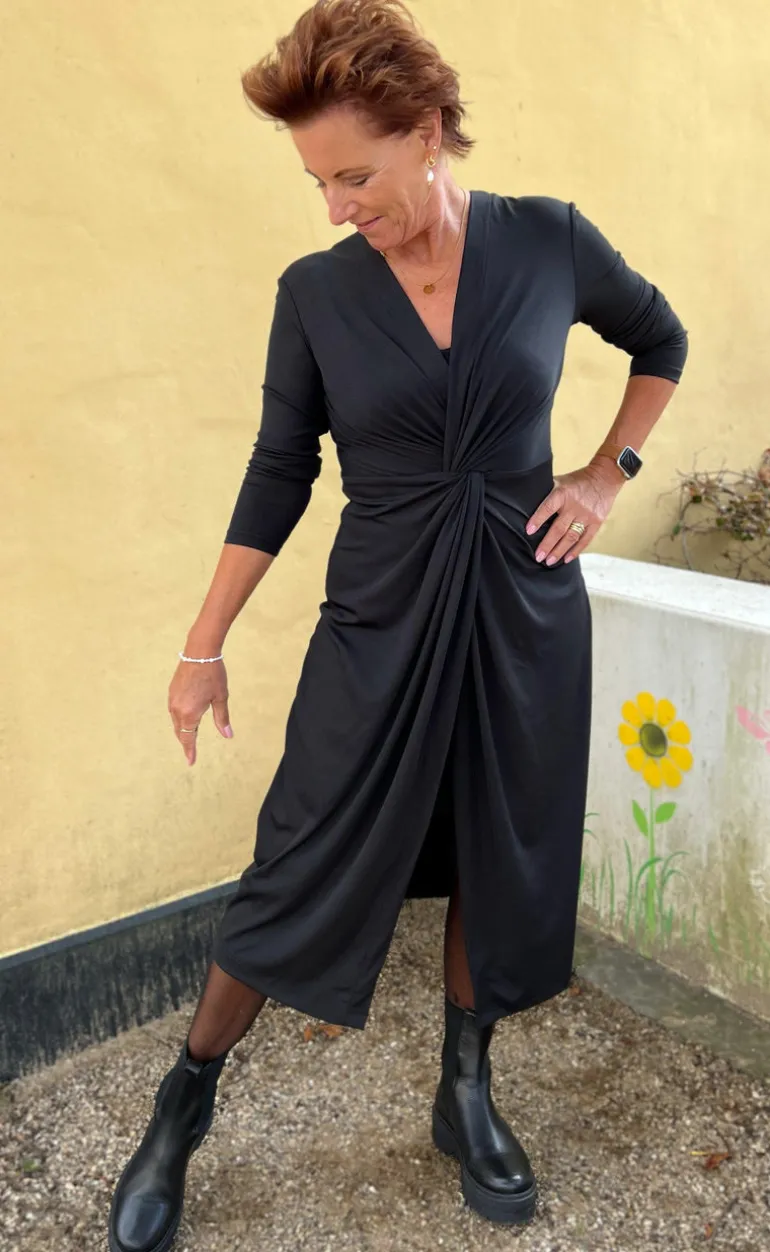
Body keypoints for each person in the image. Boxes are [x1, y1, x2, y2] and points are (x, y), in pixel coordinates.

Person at [107, 1, 688, 1248]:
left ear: (426, 133)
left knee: (496, 847)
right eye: (315, 182)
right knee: (300, 851)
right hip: (377, 615)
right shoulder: (316, 293)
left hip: (521, 605)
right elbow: (279, 469)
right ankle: (183, 1101)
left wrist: (603, 476)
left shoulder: (547, 239)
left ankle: (462, 1088)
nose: (332, 207)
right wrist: (201, 645)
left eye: (353, 176)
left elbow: (658, 337)